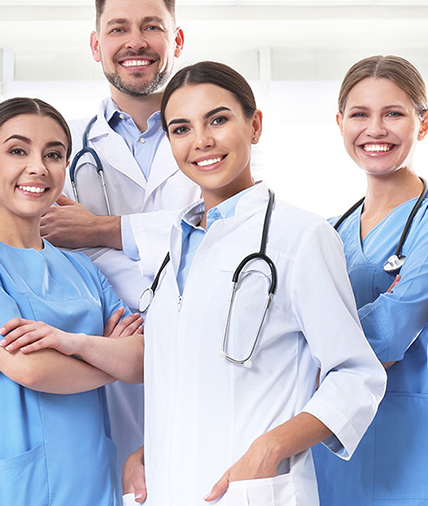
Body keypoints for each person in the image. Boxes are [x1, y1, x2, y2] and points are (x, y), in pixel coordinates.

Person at [123, 61, 387, 506]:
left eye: (218, 120)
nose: (202, 141)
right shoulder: (174, 251)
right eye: (181, 129)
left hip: (251, 491)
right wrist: (149, 451)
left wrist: (270, 448)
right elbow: (193, 375)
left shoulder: (299, 236)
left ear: (255, 124)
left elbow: (356, 376)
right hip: (168, 488)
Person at [0, 97, 144, 505]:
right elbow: (30, 367)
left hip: (94, 486)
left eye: (54, 154)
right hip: (11, 491)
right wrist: (110, 360)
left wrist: (72, 344)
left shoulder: (83, 268)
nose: (38, 167)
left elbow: (141, 359)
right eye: (17, 150)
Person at [40, 0, 199, 474]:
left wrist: (103, 229)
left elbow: (231, 237)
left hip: (201, 357)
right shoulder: (60, 150)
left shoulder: (215, 137)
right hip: (106, 362)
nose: (136, 41)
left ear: (176, 39)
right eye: (119, 29)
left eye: (151, 27)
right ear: (96, 45)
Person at [312, 56, 428, 505]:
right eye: (360, 114)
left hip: (407, 442)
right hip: (330, 443)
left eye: (393, 114)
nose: (375, 129)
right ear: (341, 123)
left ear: (421, 124)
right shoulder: (327, 231)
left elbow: (393, 330)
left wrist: (323, 347)